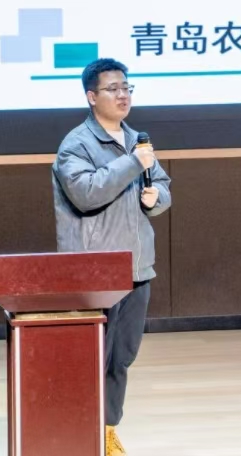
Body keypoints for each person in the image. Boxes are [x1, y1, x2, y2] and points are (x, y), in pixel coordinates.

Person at [51, 57, 171, 456]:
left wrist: (156, 199)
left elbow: (162, 186)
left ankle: (106, 430)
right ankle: (78, 435)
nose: (123, 95)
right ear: (91, 97)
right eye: (113, 89)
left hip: (136, 268)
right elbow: (86, 194)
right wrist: (133, 163)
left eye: (126, 88)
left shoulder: (137, 139)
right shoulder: (76, 144)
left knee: (121, 358)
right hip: (95, 271)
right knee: (91, 360)